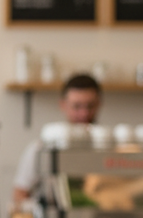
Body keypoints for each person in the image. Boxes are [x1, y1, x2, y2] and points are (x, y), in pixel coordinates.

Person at [12, 73, 102, 204]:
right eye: (77, 106)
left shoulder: (108, 149)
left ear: (99, 104)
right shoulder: (40, 148)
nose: (84, 113)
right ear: (63, 105)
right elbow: (19, 194)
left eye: (90, 106)